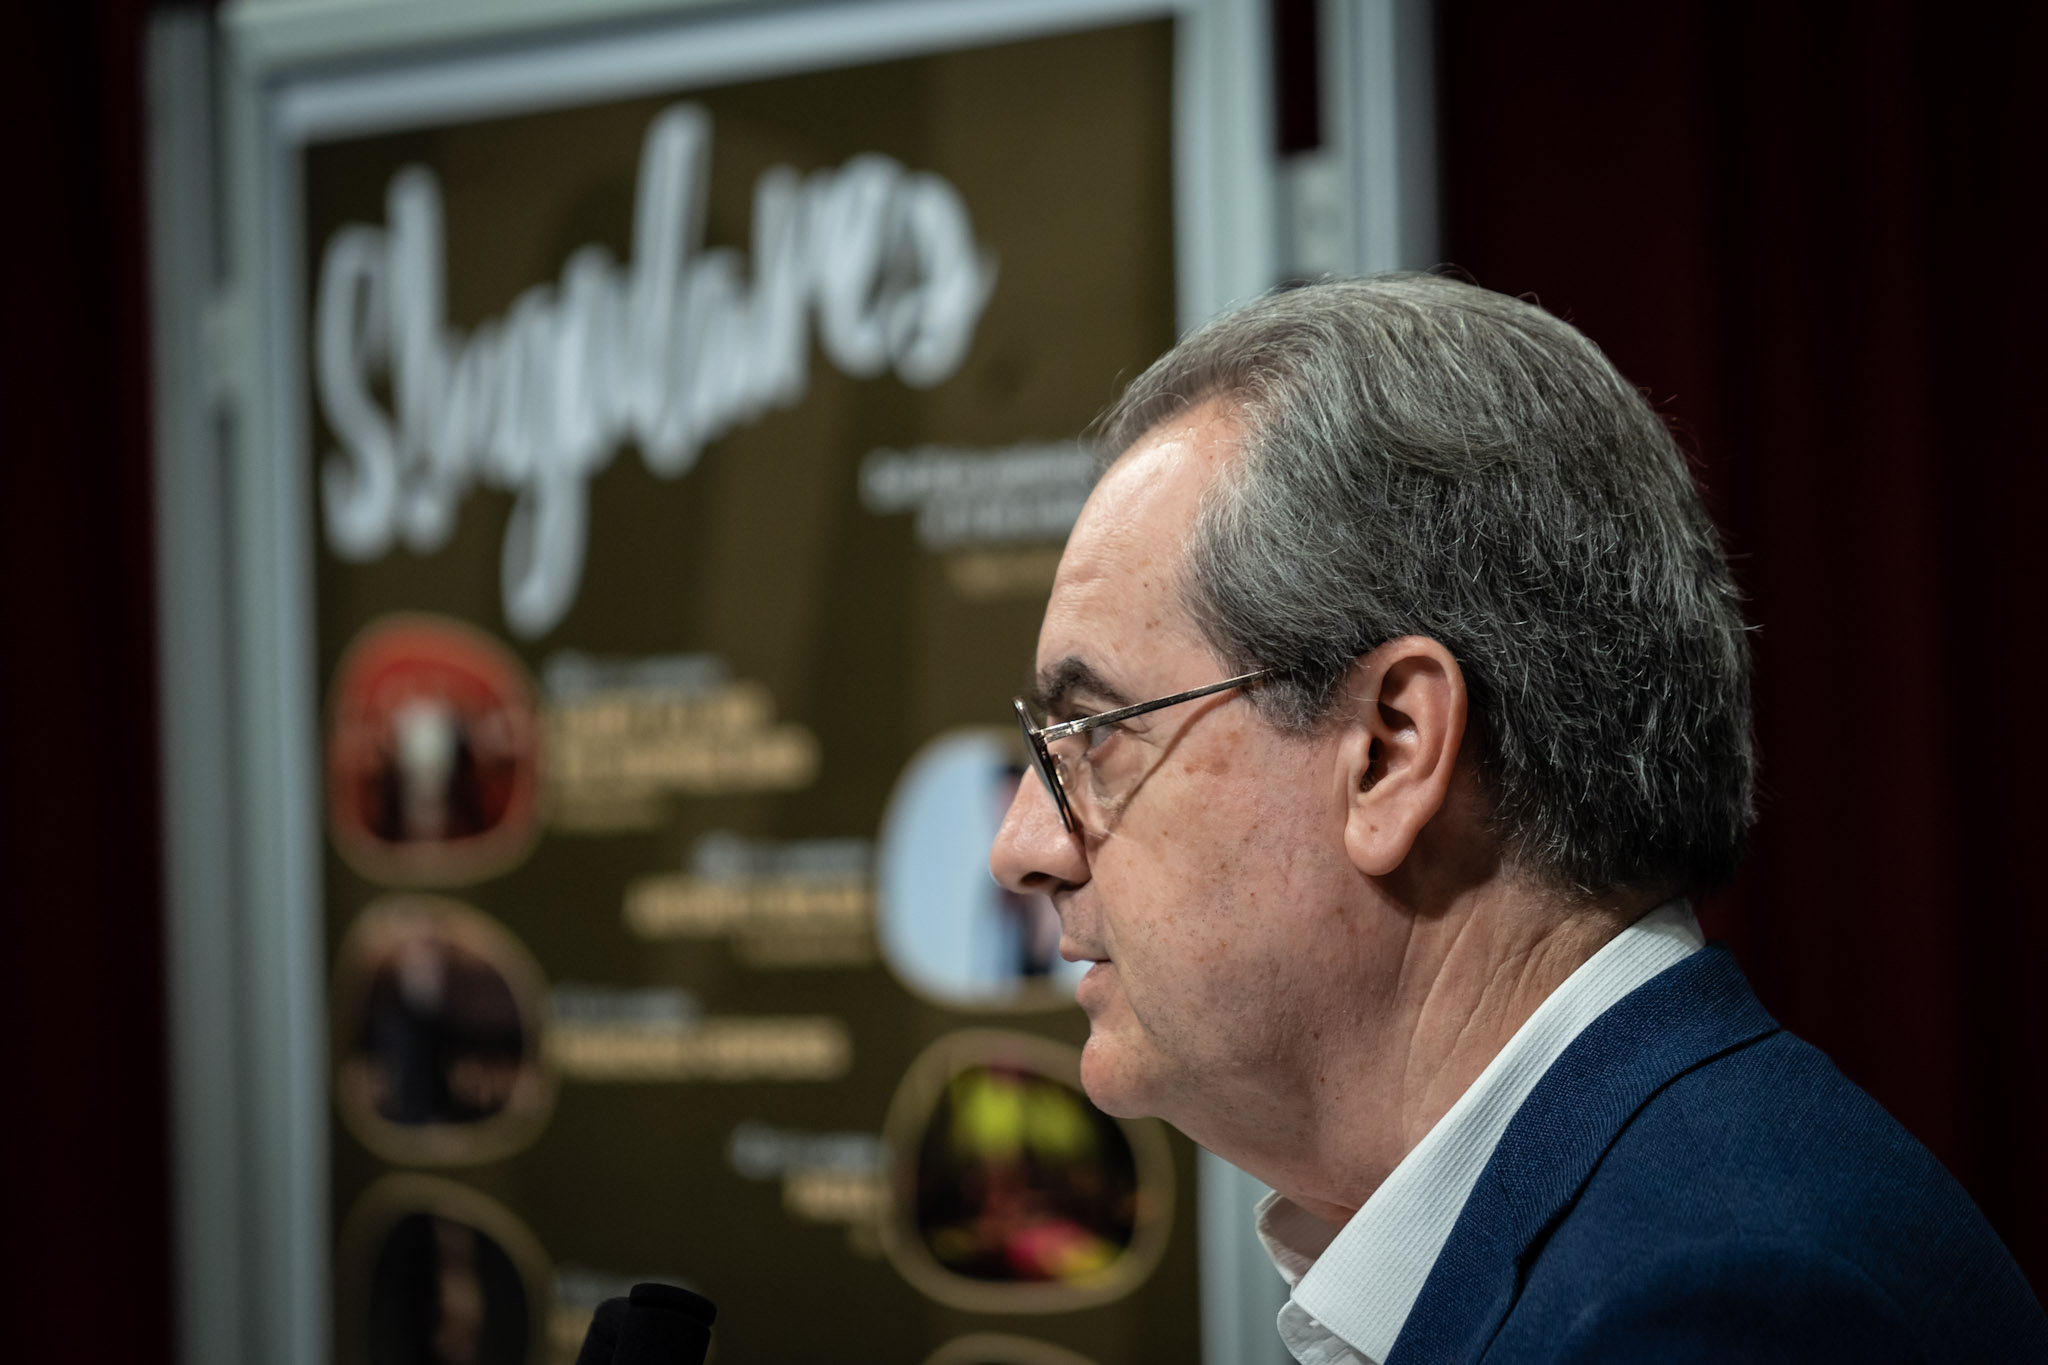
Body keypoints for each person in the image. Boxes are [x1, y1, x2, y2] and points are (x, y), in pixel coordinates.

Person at [990, 274, 2048, 1363]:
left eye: (1093, 733)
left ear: (1391, 750)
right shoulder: (1646, 1215)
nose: (1021, 848)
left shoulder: (1706, 1309)